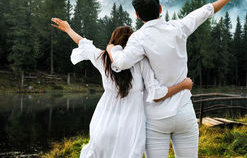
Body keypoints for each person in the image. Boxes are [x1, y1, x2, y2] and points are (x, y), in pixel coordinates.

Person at [106, 0, 242, 158]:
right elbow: (204, 12)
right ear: (160, 9)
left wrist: (112, 49)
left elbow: (121, 63)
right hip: (184, 112)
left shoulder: (138, 38)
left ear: (137, 15)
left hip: (155, 118)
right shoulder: (178, 27)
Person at [51, 19, 193, 158]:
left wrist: (68, 29)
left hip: (104, 120)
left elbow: (83, 43)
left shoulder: (103, 58)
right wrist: (183, 85)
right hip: (131, 125)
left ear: (113, 40)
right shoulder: (140, 61)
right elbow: (157, 93)